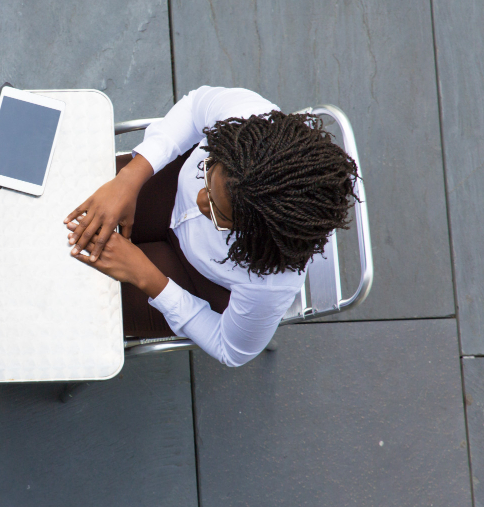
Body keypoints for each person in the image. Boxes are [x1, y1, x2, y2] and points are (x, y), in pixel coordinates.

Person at [65, 86, 359, 366]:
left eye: (219, 213)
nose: (201, 200)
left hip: (191, 278)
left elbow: (230, 351)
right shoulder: (250, 117)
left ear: (253, 233)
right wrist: (130, 178)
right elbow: (195, 108)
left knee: (75, 300)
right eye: (208, 173)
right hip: (166, 189)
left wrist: (146, 277)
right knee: (65, 197)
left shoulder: (271, 284)